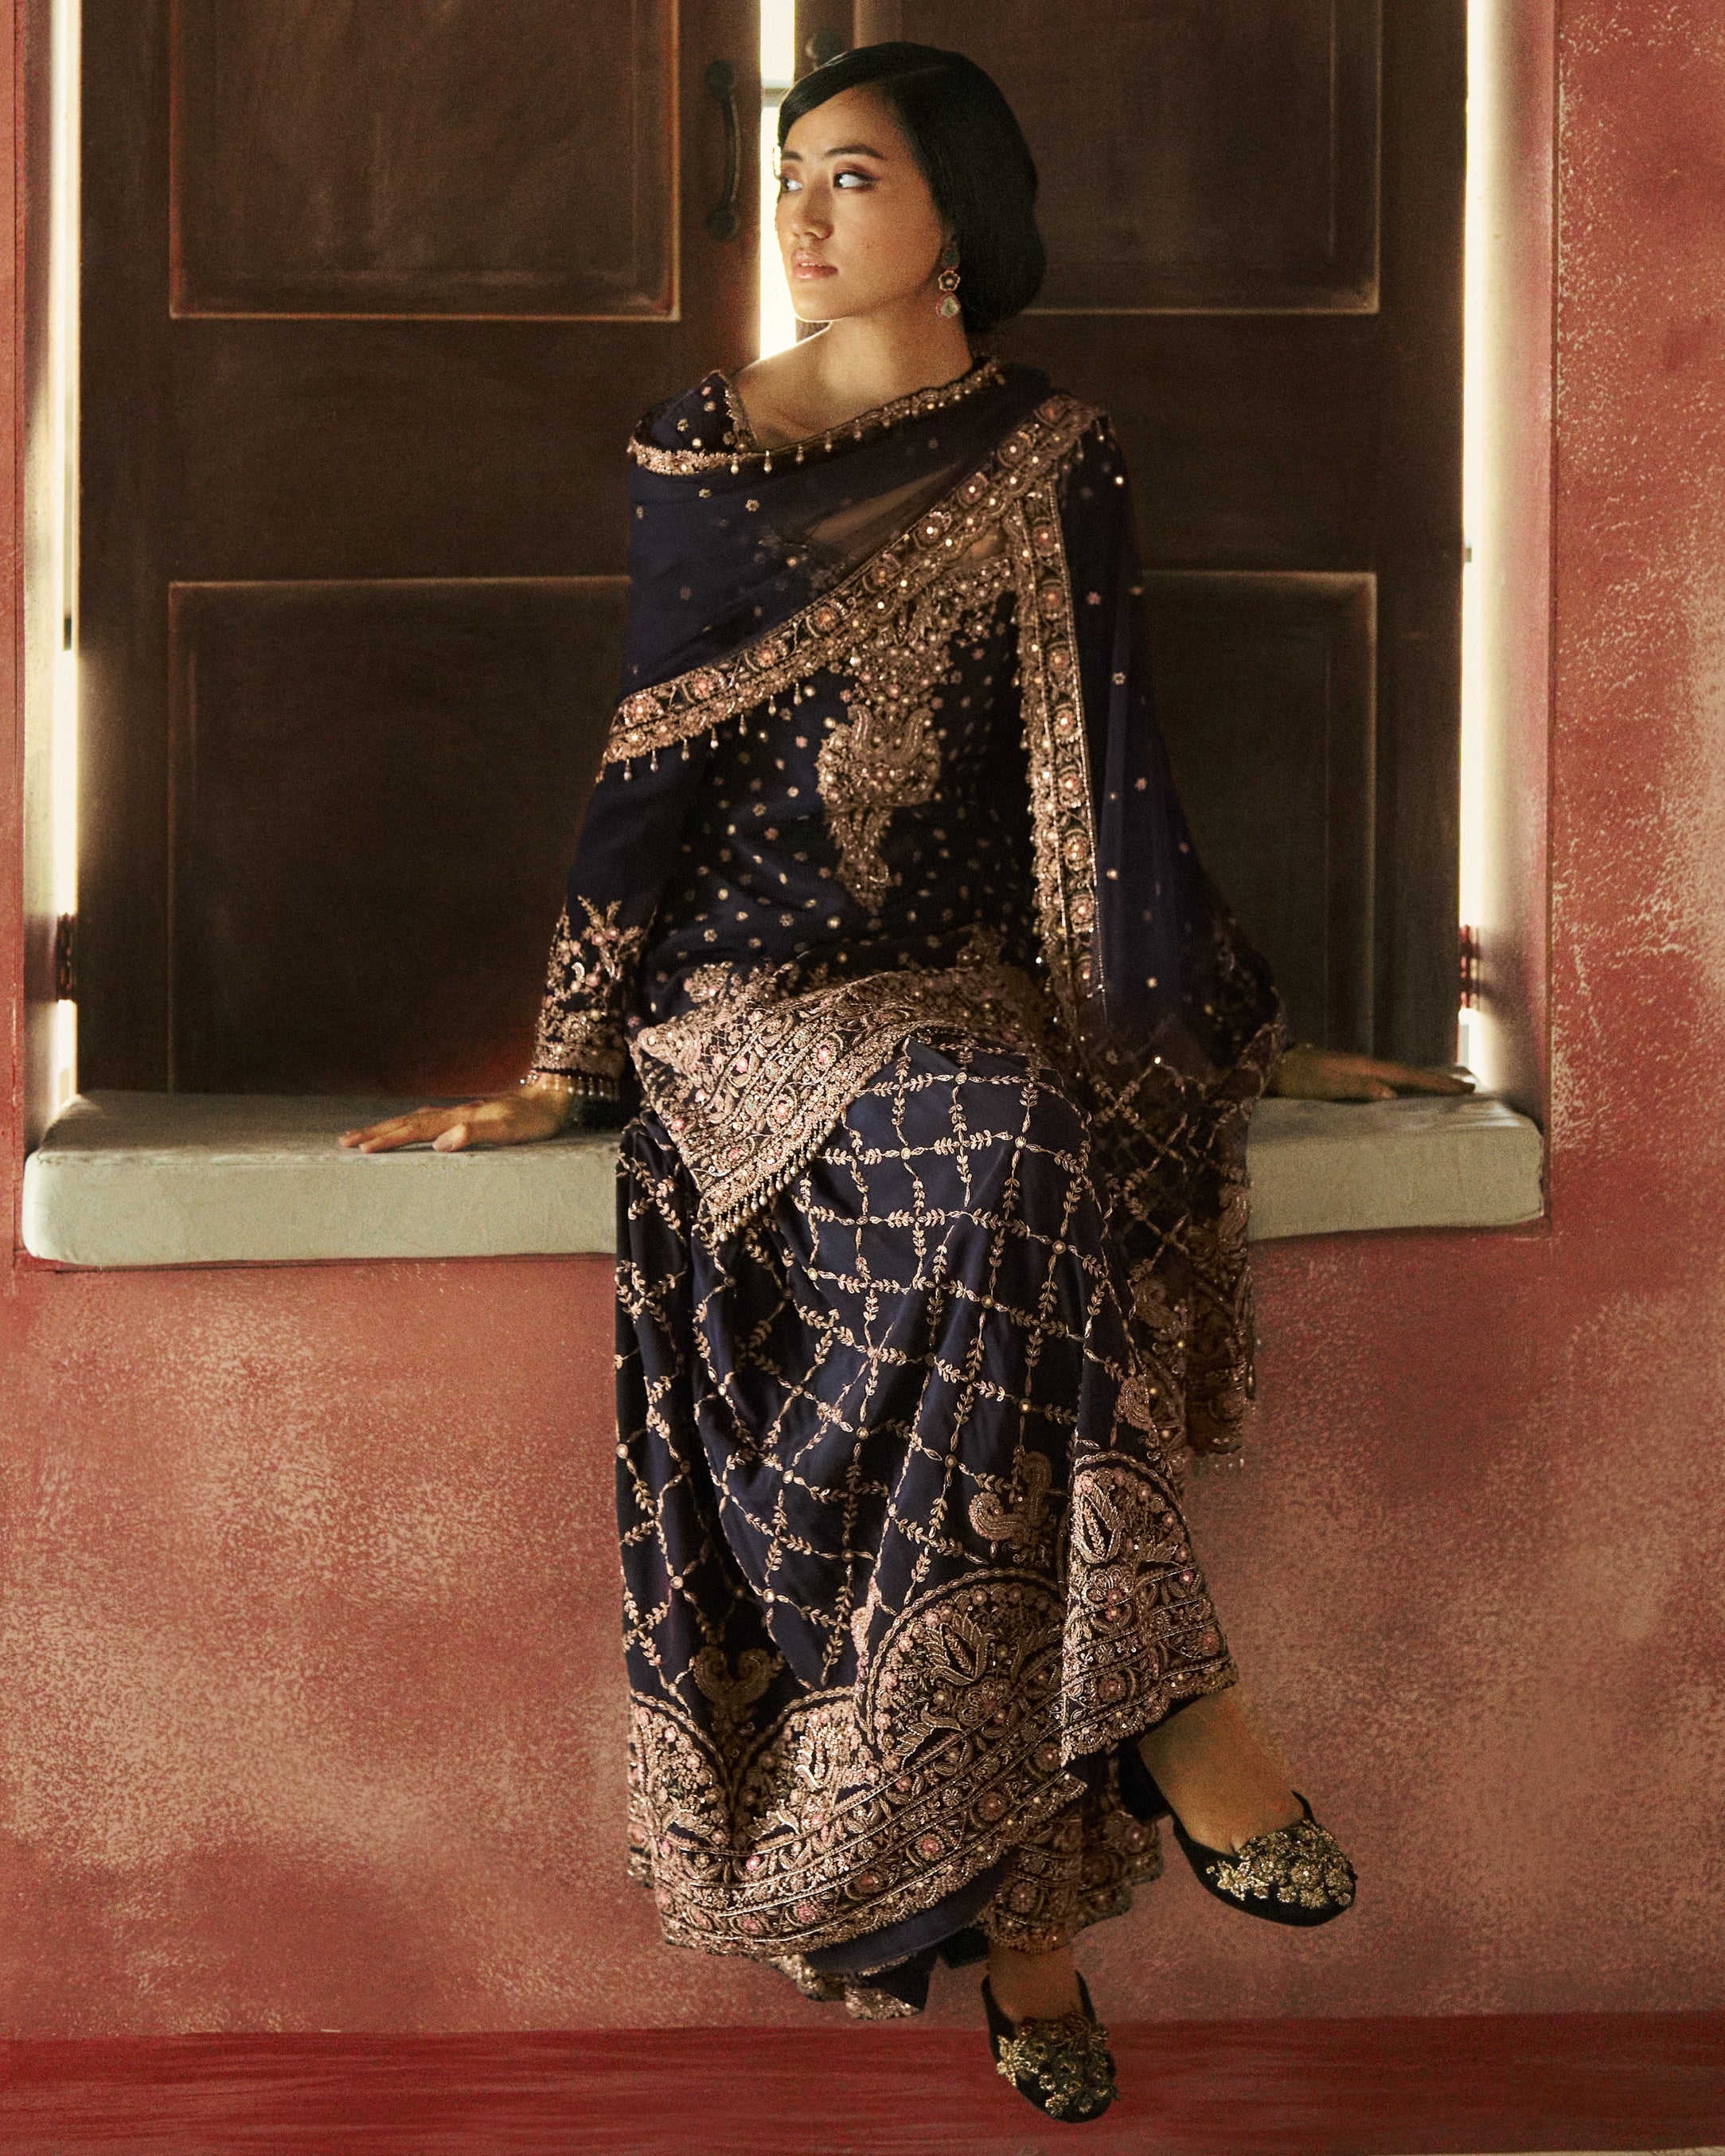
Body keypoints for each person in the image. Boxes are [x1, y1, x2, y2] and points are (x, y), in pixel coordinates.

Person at [342, 43, 1468, 2126]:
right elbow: (642, 779)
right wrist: (564, 1065)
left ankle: (1027, 1927)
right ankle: (1180, 1709)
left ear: (961, 207)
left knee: (1014, 1226)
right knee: (1016, 1148)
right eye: (788, 175)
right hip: (750, 1006)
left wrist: (1235, 1025)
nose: (800, 214)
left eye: (852, 176)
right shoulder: (704, 455)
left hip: (965, 991)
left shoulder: (1055, 455)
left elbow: (1111, 775)